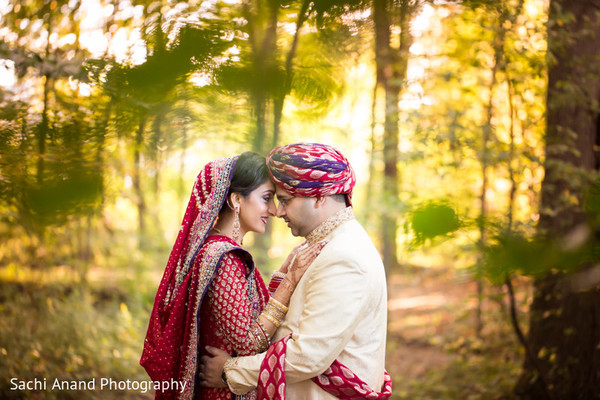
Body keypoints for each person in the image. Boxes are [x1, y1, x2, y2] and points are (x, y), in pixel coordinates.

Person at [199, 143, 392, 399]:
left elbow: (308, 355)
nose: (278, 212)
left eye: (285, 201)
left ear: (320, 197)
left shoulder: (345, 256)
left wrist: (230, 372)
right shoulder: (327, 246)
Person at [140, 151, 324, 400]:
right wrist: (290, 282)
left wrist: (284, 272)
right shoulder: (225, 258)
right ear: (237, 199)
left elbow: (246, 314)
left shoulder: (216, 250)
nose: (273, 210)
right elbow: (249, 343)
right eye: (266, 198)